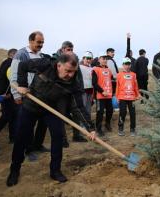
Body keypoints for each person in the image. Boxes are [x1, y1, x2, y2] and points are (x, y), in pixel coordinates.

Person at [6, 53, 96, 187]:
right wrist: (22, 85)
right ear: (58, 65)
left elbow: (79, 107)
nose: (70, 75)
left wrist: (90, 128)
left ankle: (55, 170)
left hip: (52, 109)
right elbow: (23, 65)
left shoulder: (74, 82)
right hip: (31, 105)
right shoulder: (45, 64)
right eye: (67, 71)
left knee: (58, 136)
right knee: (22, 137)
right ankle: (14, 170)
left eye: (73, 71)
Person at [10, 31, 49, 160]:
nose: (41, 45)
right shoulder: (21, 54)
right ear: (30, 41)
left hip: (40, 95)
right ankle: (28, 149)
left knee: (43, 122)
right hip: (27, 95)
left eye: (42, 42)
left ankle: (38, 144)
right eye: (38, 42)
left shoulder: (42, 55)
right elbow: (14, 75)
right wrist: (16, 95)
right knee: (28, 124)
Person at [52, 41, 86, 146]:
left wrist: (81, 88)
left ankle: (77, 135)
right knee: (61, 115)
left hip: (73, 92)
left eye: (72, 49)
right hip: (60, 93)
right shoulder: (55, 59)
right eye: (68, 50)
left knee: (76, 114)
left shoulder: (74, 58)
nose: (70, 52)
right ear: (62, 49)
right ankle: (63, 139)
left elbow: (78, 75)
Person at [116, 58, 140, 136]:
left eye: (128, 64)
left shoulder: (133, 74)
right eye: (125, 64)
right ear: (123, 65)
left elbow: (135, 86)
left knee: (133, 113)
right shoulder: (119, 75)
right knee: (122, 112)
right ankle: (120, 128)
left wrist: (137, 94)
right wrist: (117, 97)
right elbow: (117, 87)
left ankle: (132, 129)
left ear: (130, 65)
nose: (127, 66)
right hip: (122, 97)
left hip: (131, 97)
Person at [92, 52, 114, 136]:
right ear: (99, 60)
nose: (105, 60)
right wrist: (102, 91)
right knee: (100, 112)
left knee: (110, 110)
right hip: (100, 95)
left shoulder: (109, 70)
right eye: (103, 59)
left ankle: (107, 124)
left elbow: (112, 80)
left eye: (106, 59)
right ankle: (98, 128)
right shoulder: (95, 69)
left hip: (108, 95)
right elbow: (94, 83)